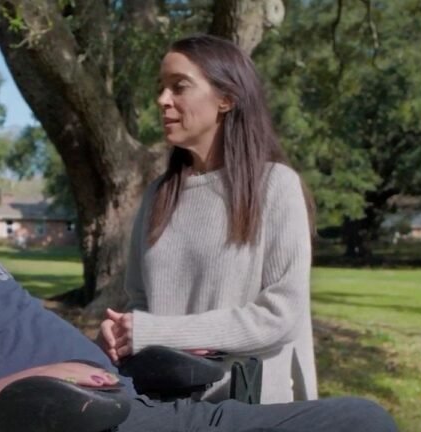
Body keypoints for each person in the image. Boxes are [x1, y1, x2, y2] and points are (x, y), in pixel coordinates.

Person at [0, 50, 397, 432]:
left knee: (359, 418)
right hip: (75, 424)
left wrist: (109, 355)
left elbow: (6, 337)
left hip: (139, 404)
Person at [98, 34, 316, 404]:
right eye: (161, 88)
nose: (162, 100)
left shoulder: (276, 186)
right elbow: (140, 302)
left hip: (248, 409)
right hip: (165, 406)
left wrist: (156, 332)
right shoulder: (157, 195)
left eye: (179, 86)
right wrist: (119, 331)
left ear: (226, 98)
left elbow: (280, 316)